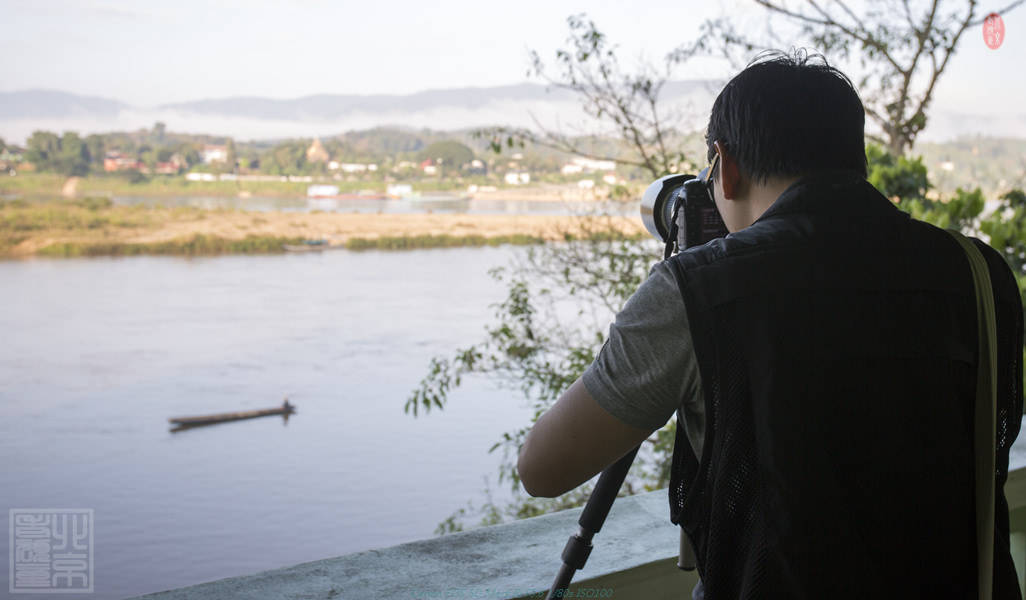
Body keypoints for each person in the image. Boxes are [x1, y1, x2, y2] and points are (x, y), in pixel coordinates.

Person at [516, 49, 1023, 598]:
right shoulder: (978, 270)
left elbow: (542, 469)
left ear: (725, 167)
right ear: (856, 160)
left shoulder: (700, 291)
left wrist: (679, 288)